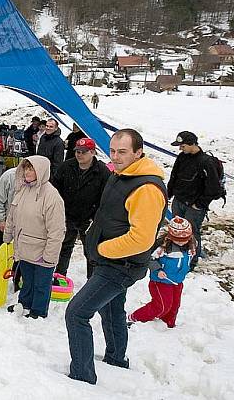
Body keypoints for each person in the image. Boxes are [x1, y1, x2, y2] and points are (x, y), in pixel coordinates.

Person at [66, 128, 167, 385]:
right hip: (110, 261)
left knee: (77, 313)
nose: (116, 156)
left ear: (138, 152)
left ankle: (81, 377)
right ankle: (116, 360)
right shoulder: (122, 175)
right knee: (111, 312)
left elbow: (141, 239)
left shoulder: (146, 188)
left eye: (122, 152)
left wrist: (102, 248)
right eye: (112, 151)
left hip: (120, 265)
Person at [2, 156, 65, 318]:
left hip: (42, 250)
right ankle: (24, 304)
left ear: (41, 171)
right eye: (26, 168)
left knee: (41, 285)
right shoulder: (23, 189)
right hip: (24, 247)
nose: (27, 172)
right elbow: (12, 215)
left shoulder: (51, 196)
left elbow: (56, 231)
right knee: (27, 281)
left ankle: (38, 311)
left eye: (32, 169)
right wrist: (8, 235)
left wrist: (50, 256)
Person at [50, 137, 110, 278]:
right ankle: (59, 276)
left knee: (90, 251)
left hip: (89, 219)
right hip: (67, 215)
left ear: (93, 152)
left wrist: (96, 218)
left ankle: (92, 280)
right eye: (77, 151)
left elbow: (106, 199)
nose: (79, 154)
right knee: (64, 247)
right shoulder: (66, 166)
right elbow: (54, 189)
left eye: (84, 151)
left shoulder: (102, 171)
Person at [128, 216, 195, 328]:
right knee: (162, 305)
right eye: (178, 240)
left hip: (178, 280)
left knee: (174, 306)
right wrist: (157, 269)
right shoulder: (163, 247)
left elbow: (191, 257)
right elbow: (149, 258)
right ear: (171, 236)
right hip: (161, 281)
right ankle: (136, 317)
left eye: (185, 240)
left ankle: (167, 325)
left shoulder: (191, 244)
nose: (182, 243)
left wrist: (189, 267)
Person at [167, 130, 221, 269]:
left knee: (191, 233)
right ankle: (176, 255)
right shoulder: (182, 157)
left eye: (182, 145)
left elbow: (213, 188)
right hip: (179, 201)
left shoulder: (206, 162)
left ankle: (191, 261)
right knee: (176, 230)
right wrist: (169, 194)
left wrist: (200, 204)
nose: (180, 148)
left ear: (192, 144)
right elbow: (174, 177)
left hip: (194, 206)